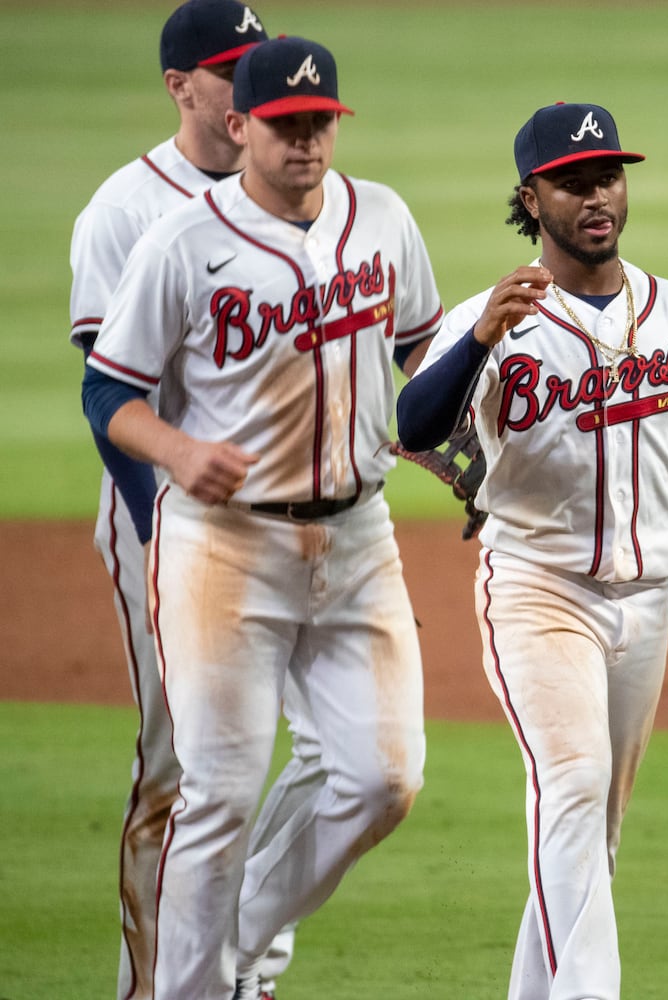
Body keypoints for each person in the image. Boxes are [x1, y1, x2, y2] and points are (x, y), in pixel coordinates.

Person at [396, 101, 668, 1000]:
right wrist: (477, 341)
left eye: (608, 177)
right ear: (530, 196)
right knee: (576, 785)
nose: (596, 196)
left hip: (647, 601)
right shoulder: (493, 316)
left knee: (592, 829)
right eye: (572, 181)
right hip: (536, 591)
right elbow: (411, 426)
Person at [81, 35, 442, 998]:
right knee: (220, 799)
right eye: (287, 126)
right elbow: (106, 394)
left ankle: (237, 925)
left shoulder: (384, 220)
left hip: (362, 539)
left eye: (321, 123)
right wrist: (178, 452)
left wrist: (457, 454)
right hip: (225, 547)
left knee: (383, 780)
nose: (308, 144)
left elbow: (423, 363)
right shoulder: (181, 242)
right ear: (240, 125)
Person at [66, 3, 308, 997]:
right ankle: (150, 983)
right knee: (182, 767)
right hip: (163, 516)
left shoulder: (303, 195)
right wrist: (161, 530)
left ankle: (243, 972)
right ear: (181, 86)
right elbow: (108, 393)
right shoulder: (125, 210)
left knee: (323, 754)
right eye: (231, 68)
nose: (254, 82)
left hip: (295, 525)